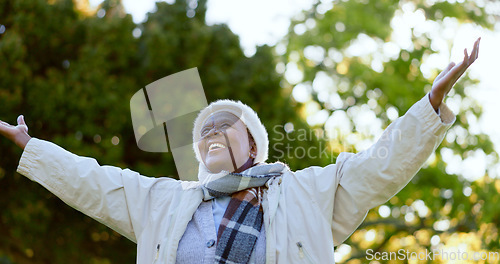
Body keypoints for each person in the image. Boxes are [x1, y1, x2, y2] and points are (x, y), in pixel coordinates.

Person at [0, 38, 480, 264]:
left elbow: (380, 167)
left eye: (223, 124)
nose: (209, 130)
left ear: (252, 143)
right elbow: (94, 181)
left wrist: (430, 103)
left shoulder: (306, 193)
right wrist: (32, 146)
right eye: (203, 127)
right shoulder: (163, 201)